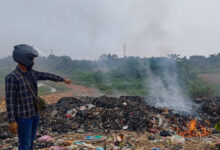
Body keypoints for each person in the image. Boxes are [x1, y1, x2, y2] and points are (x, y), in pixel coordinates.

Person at [5, 44, 72, 150]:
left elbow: (46, 75)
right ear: (24, 59)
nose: (33, 62)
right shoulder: (12, 77)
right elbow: (10, 101)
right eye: (32, 59)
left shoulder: (32, 73)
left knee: (31, 142)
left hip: (34, 115)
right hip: (23, 118)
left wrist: (62, 79)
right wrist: (12, 121)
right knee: (25, 145)